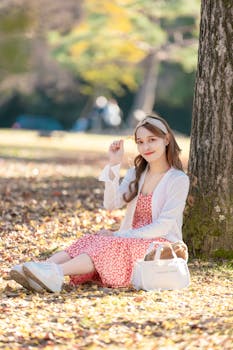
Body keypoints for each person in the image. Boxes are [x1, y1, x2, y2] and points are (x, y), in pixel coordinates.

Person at [9, 114, 190, 293]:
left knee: (110, 243)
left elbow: (163, 226)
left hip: (158, 243)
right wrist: (113, 164)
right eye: (140, 142)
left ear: (166, 139)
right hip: (129, 238)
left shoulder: (177, 179)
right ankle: (38, 269)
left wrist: (122, 236)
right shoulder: (137, 173)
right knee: (92, 238)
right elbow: (111, 204)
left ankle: (53, 273)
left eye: (152, 140)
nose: (146, 147)